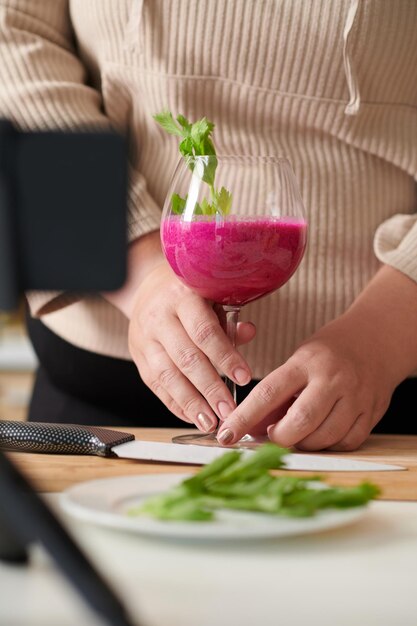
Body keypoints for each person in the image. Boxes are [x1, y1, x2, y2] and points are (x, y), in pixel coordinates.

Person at [1, 1, 416, 449]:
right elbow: (15, 33)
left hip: (368, 397)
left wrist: (384, 333)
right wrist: (139, 274)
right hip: (98, 395)